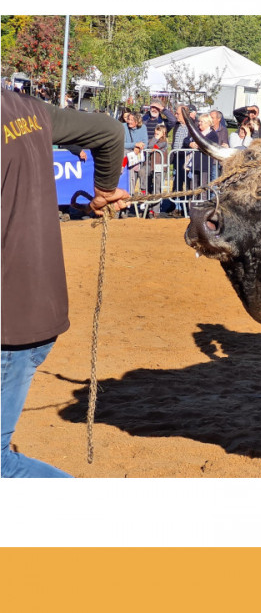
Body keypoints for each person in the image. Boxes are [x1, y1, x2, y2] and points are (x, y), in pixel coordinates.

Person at [1, 90, 129, 477]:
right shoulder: (24, 107)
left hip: (11, 325)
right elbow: (109, 131)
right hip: (37, 310)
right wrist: (105, 190)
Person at [182, 112, 219, 184]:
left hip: (204, 165)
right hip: (194, 164)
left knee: (203, 188)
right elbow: (185, 140)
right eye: (199, 121)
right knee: (193, 187)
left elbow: (211, 147)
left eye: (201, 121)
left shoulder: (213, 135)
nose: (199, 123)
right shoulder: (196, 132)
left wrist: (199, 146)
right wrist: (190, 144)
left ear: (207, 123)